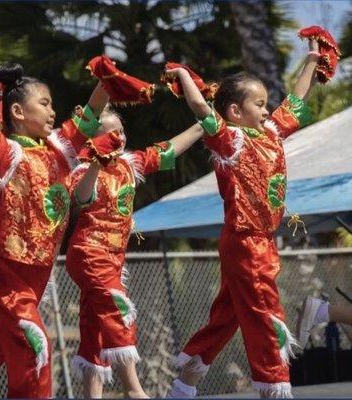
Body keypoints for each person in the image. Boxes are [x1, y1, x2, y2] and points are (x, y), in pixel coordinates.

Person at [0, 63, 113, 398]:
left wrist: (109, 78)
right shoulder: (8, 152)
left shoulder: (60, 146)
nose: (53, 111)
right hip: (9, 267)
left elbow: (91, 111)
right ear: (17, 111)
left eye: (52, 104)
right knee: (34, 343)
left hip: (39, 271)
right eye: (44, 103)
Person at [165, 38, 320, 398]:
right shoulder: (229, 140)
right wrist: (184, 76)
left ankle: (182, 387)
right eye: (260, 104)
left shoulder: (271, 132)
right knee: (266, 314)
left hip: (260, 242)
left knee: (228, 316)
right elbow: (200, 108)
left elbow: (297, 99)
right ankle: (275, 389)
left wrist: (312, 58)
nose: (268, 110)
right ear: (235, 111)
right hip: (246, 242)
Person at [66, 106, 203, 398]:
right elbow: (81, 197)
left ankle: (92, 395)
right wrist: (96, 162)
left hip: (113, 260)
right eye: (111, 132)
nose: (120, 137)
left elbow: (167, 150)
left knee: (95, 328)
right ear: (94, 139)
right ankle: (134, 390)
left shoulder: (130, 164)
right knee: (120, 310)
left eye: (122, 130)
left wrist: (203, 124)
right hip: (90, 253)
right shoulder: (81, 168)